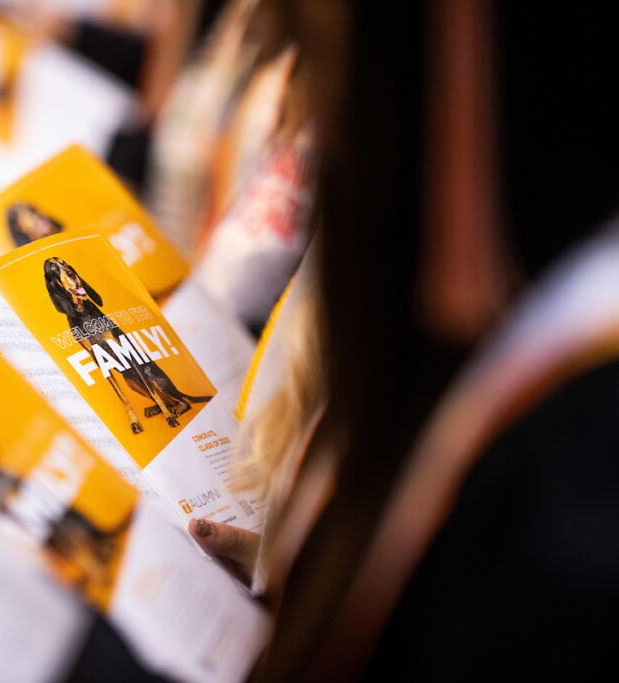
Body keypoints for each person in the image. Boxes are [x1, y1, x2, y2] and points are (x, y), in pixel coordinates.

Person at [189, 1, 619, 681]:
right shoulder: (544, 313)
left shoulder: (582, 458)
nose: (329, 131)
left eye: (346, 81)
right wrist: (307, 555)